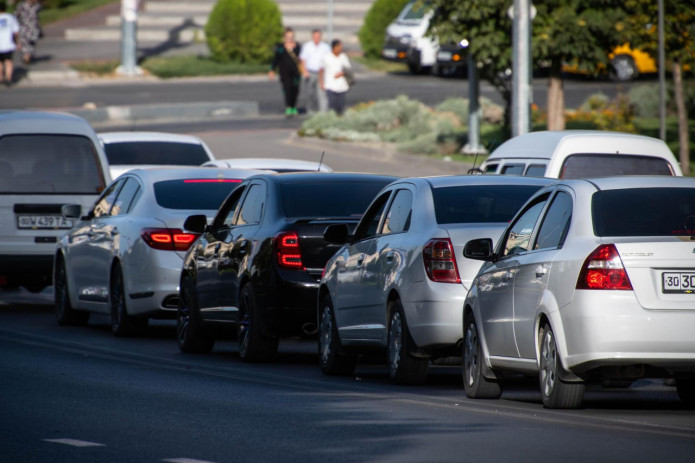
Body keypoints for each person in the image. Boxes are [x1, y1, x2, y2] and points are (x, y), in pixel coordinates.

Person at [269, 27, 302, 117]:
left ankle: (293, 105)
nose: (290, 38)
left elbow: (302, 59)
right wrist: (272, 70)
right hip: (285, 73)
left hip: (296, 73)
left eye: (291, 36)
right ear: (285, 37)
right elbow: (276, 59)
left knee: (295, 90)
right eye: (288, 36)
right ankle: (288, 107)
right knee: (287, 89)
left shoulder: (298, 46)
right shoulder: (280, 47)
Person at [299, 29, 330, 113]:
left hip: (321, 73)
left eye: (318, 36)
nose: (317, 38)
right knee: (310, 93)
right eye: (315, 36)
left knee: (322, 93)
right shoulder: (307, 46)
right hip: (310, 72)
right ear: (312, 36)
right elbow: (303, 59)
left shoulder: (325, 47)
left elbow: (329, 59)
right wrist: (304, 71)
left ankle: (323, 112)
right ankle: (310, 110)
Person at [320, 39, 352, 116]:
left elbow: (348, 70)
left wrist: (342, 73)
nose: (341, 49)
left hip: (342, 86)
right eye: (339, 47)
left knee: (340, 106)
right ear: (334, 47)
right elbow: (321, 70)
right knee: (331, 105)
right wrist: (321, 82)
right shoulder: (326, 57)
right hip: (330, 86)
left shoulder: (343, 57)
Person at [14, 0, 40, 65]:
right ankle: (27, 56)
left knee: (29, 43)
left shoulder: (35, 6)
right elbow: (16, 15)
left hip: (30, 28)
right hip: (27, 27)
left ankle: (27, 56)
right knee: (27, 43)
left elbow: (16, 15)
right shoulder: (22, 5)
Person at [0, 1, 19, 85]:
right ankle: (8, 77)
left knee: (0, 62)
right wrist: (17, 42)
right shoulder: (11, 18)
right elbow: (16, 32)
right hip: (8, 44)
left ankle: (1, 77)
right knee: (8, 61)